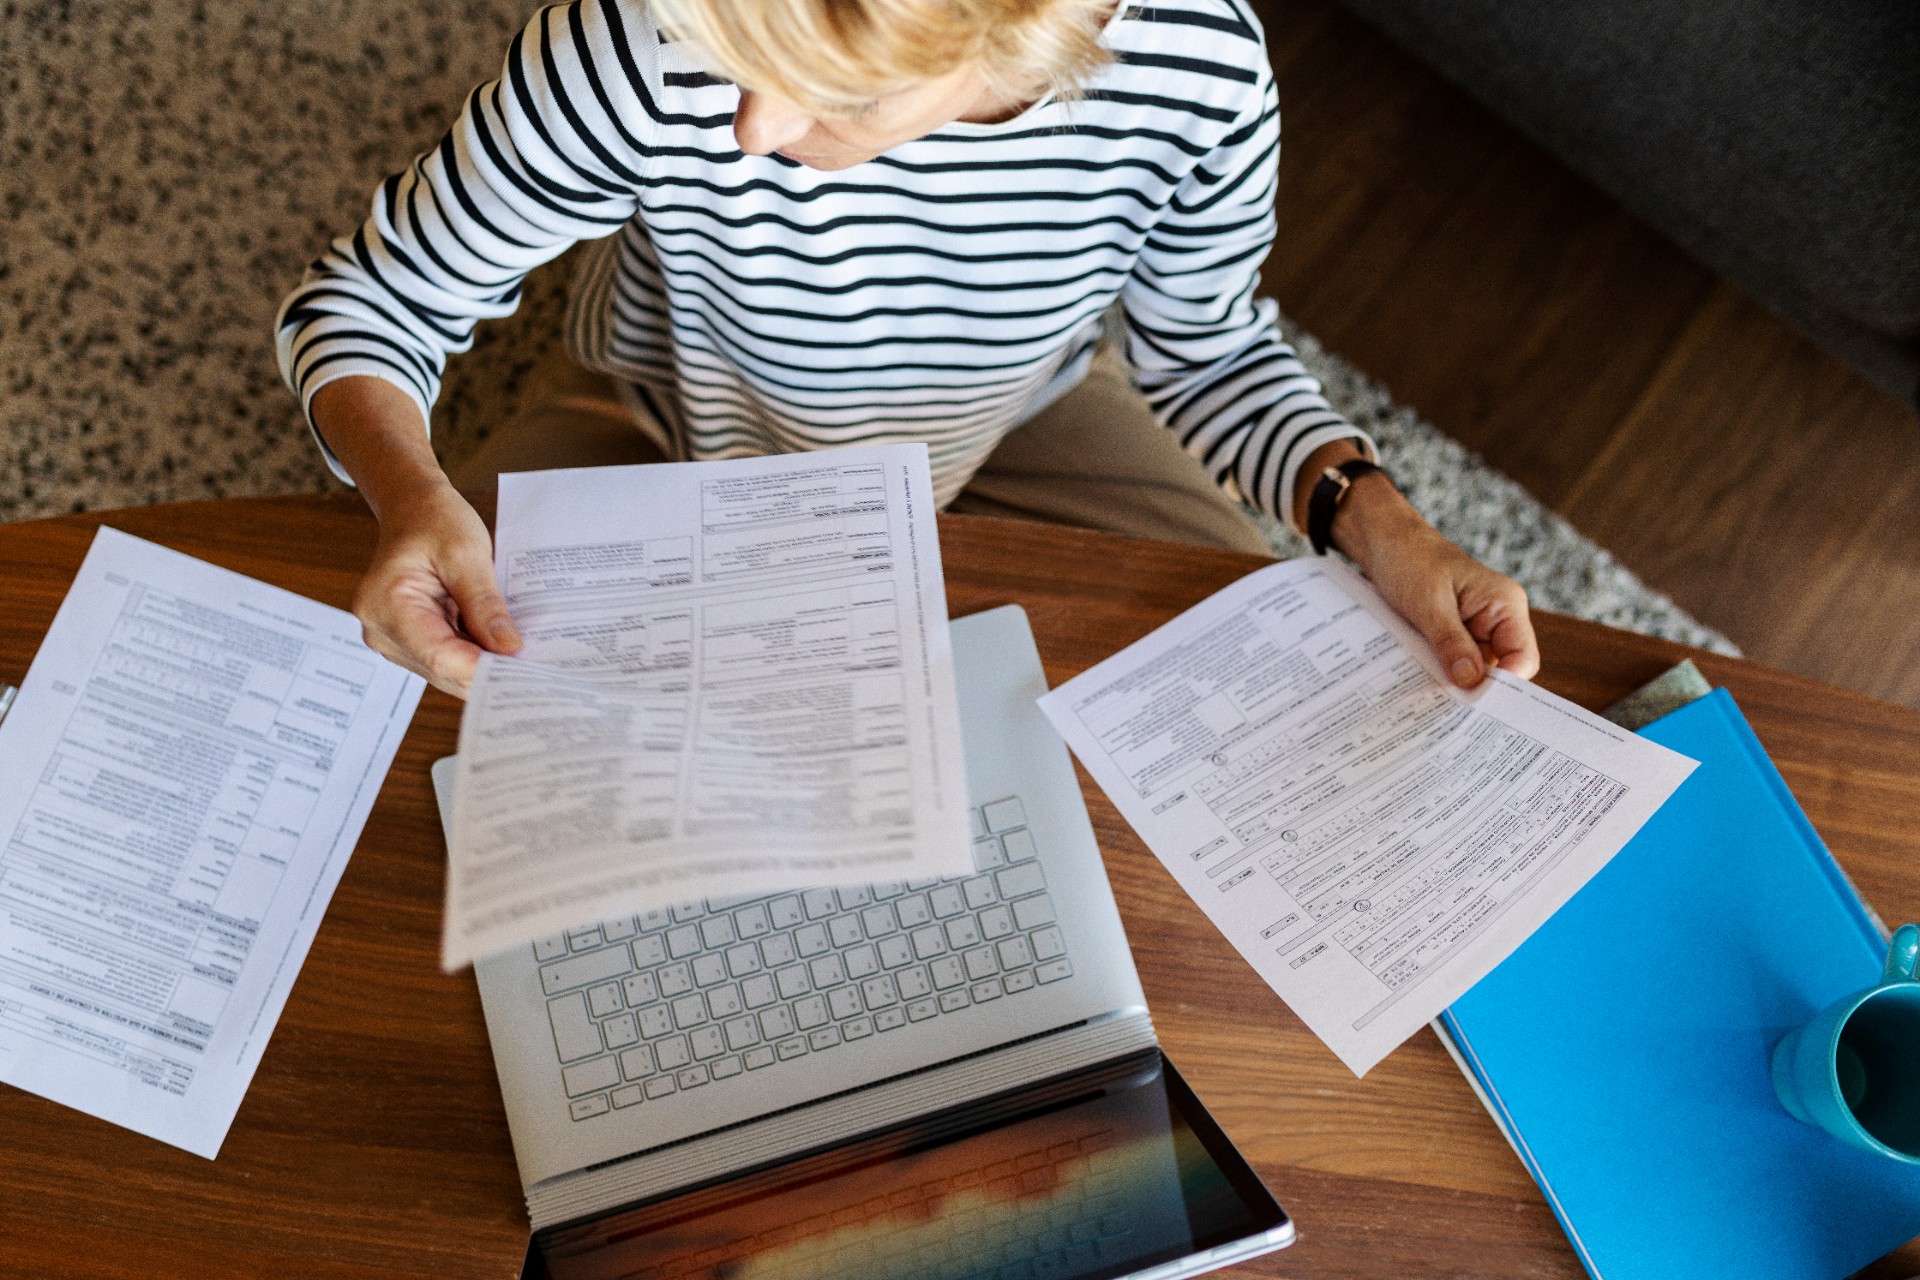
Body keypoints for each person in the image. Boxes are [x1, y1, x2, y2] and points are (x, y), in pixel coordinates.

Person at [276, 0, 1537, 698]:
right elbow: (369, 301)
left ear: (1026, 31)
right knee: (433, 698)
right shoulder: (634, 45)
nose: (757, 129)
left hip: (1026, 420)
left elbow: (1204, 350)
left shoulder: (1198, 68)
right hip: (666, 414)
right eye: (739, 61)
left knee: (1256, 671)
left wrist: (1384, 524)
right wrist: (408, 488)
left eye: (833, 92)